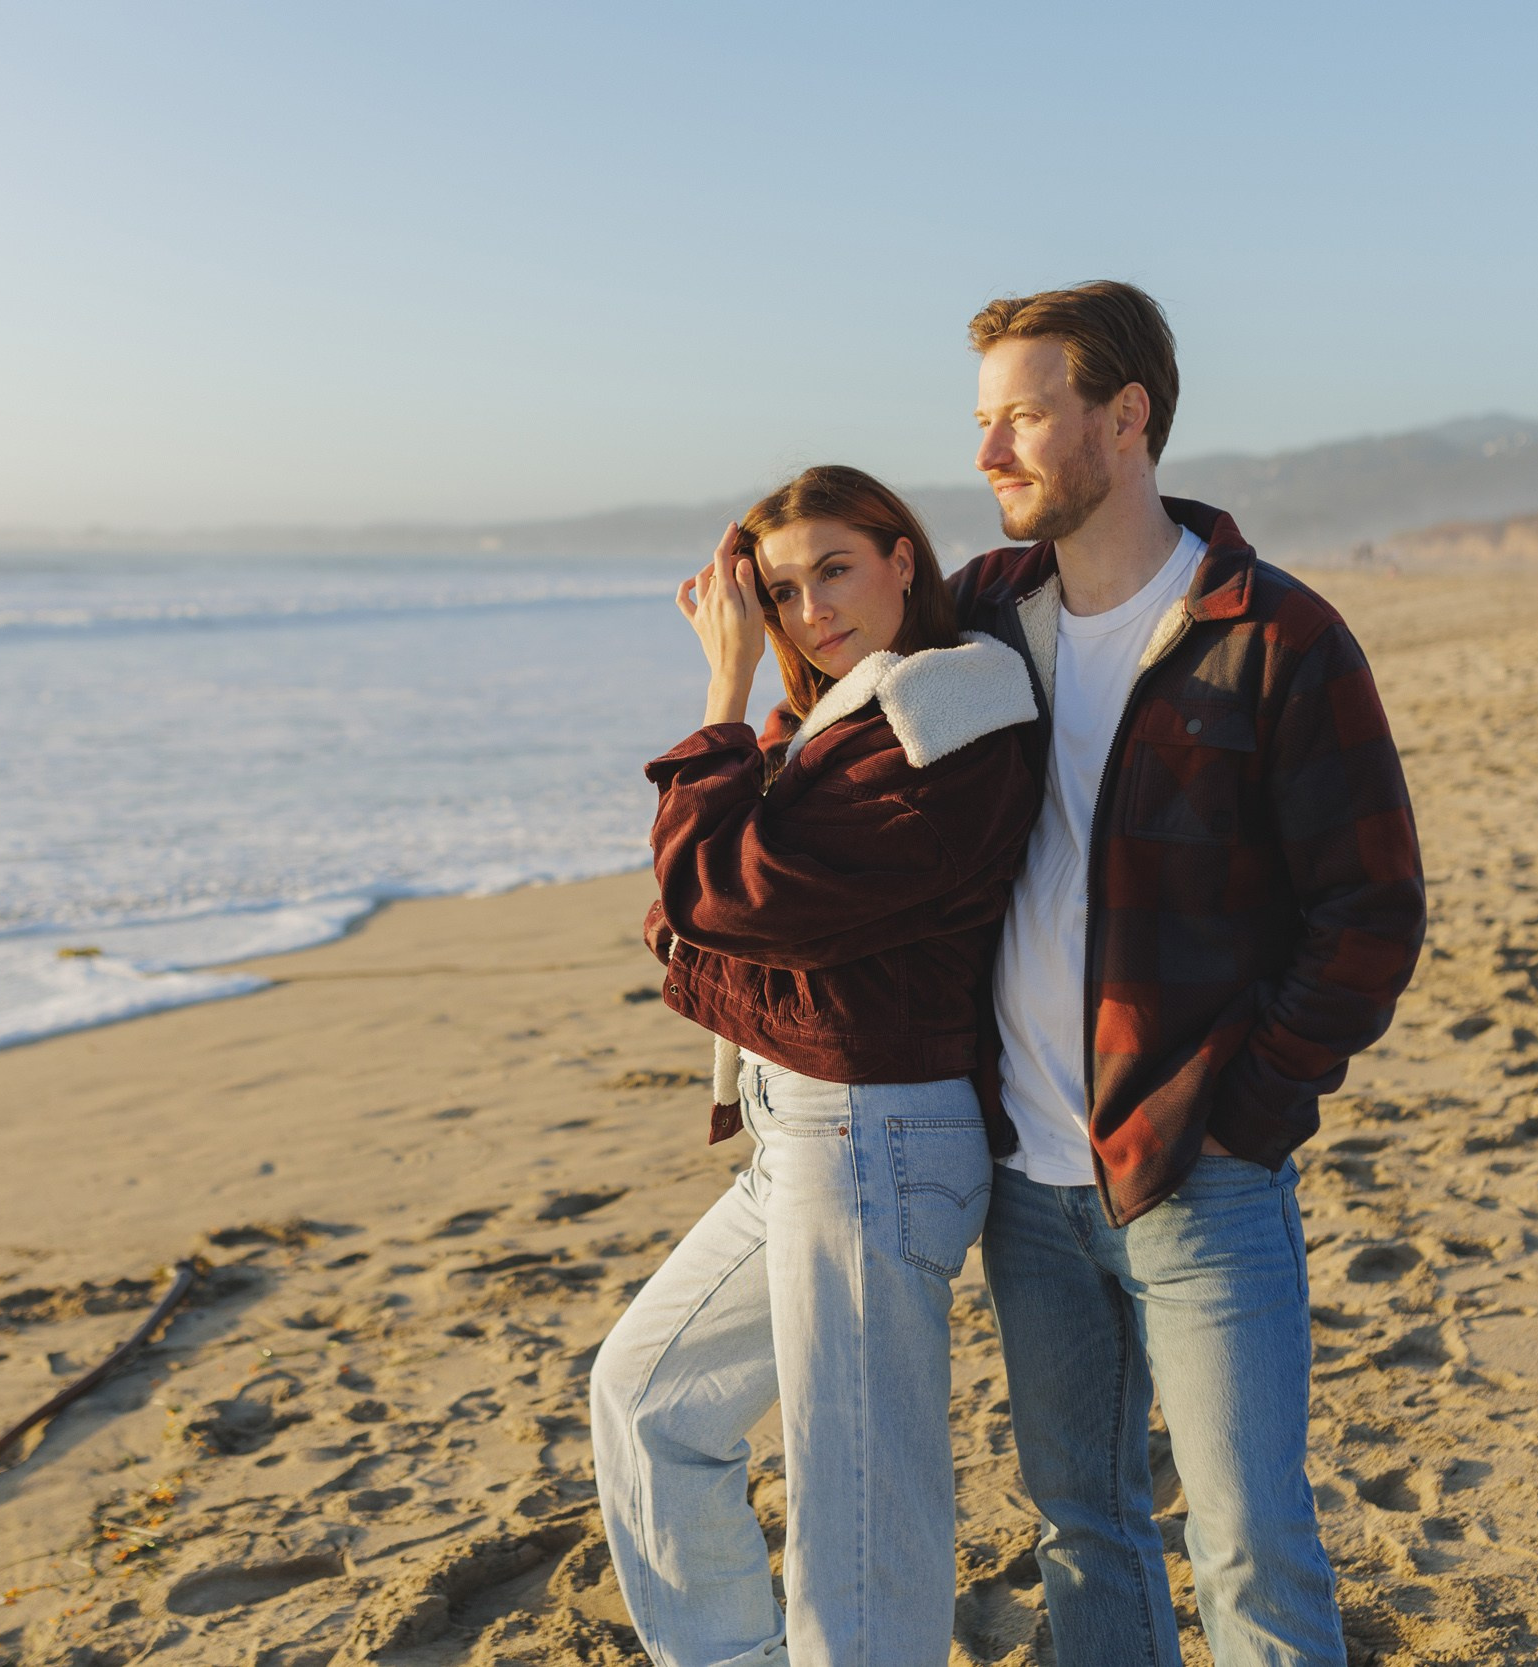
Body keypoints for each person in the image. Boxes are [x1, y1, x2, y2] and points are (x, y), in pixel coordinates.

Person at [948, 282, 1428, 1665]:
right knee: (1083, 1529)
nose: (989, 456)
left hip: (1200, 1170)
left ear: (1127, 416)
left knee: (1252, 1544)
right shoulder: (984, 616)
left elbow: (1372, 909)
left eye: (1024, 418)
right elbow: (844, 725)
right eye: (983, 423)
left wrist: (1250, 1105)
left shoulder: (1278, 634)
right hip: (1027, 1185)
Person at [590, 465, 1044, 1667]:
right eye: (777, 590)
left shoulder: (952, 710)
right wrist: (708, 918)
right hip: (803, 1132)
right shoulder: (833, 728)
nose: (810, 608)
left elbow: (709, 896)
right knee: (647, 1403)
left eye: (834, 568)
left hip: (878, 1137)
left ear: (904, 558)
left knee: (858, 1515)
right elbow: (717, 909)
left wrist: (721, 686)